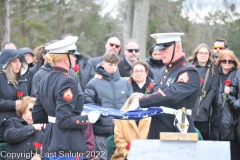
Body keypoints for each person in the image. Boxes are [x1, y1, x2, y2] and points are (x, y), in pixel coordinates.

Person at [32, 36, 100, 160]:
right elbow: (63, 120)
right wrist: (87, 118)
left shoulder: (44, 80)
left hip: (50, 142)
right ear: (66, 59)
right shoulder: (68, 82)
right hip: (67, 144)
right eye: (73, 55)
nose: (76, 58)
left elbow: (38, 115)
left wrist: (54, 117)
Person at [127, 33, 200, 139]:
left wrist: (141, 101)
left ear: (177, 46)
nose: (160, 53)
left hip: (177, 129)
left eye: (164, 49)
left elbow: (172, 94)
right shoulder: (163, 70)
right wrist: (139, 99)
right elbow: (152, 93)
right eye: (159, 49)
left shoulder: (188, 71)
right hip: (156, 128)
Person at [84, 51, 133, 160]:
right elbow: (88, 105)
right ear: (103, 64)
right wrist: (100, 119)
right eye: (110, 64)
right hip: (101, 131)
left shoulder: (125, 83)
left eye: (115, 65)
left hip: (121, 133)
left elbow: (131, 106)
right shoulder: (93, 82)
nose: (113, 68)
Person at [0, 49, 31, 160]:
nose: (18, 64)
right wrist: (13, 104)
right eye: (14, 61)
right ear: (7, 63)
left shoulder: (25, 78)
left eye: (19, 61)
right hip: (2, 130)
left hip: (21, 127)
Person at [210, 50, 240, 160]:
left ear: (234, 62)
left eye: (230, 61)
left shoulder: (237, 74)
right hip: (215, 122)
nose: (227, 63)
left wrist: (231, 98)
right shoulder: (215, 74)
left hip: (232, 121)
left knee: (232, 154)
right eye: (224, 60)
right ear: (220, 61)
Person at [187, 43, 219, 140]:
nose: (203, 55)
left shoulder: (214, 68)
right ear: (196, 54)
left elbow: (214, 88)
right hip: (190, 102)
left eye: (206, 53)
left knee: (202, 134)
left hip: (205, 105)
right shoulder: (189, 66)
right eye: (201, 53)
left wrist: (205, 105)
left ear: (209, 55)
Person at [111, 95, 151, 160]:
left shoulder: (150, 119)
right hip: (124, 155)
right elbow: (119, 140)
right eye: (136, 104)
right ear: (129, 105)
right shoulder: (121, 119)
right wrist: (128, 154)